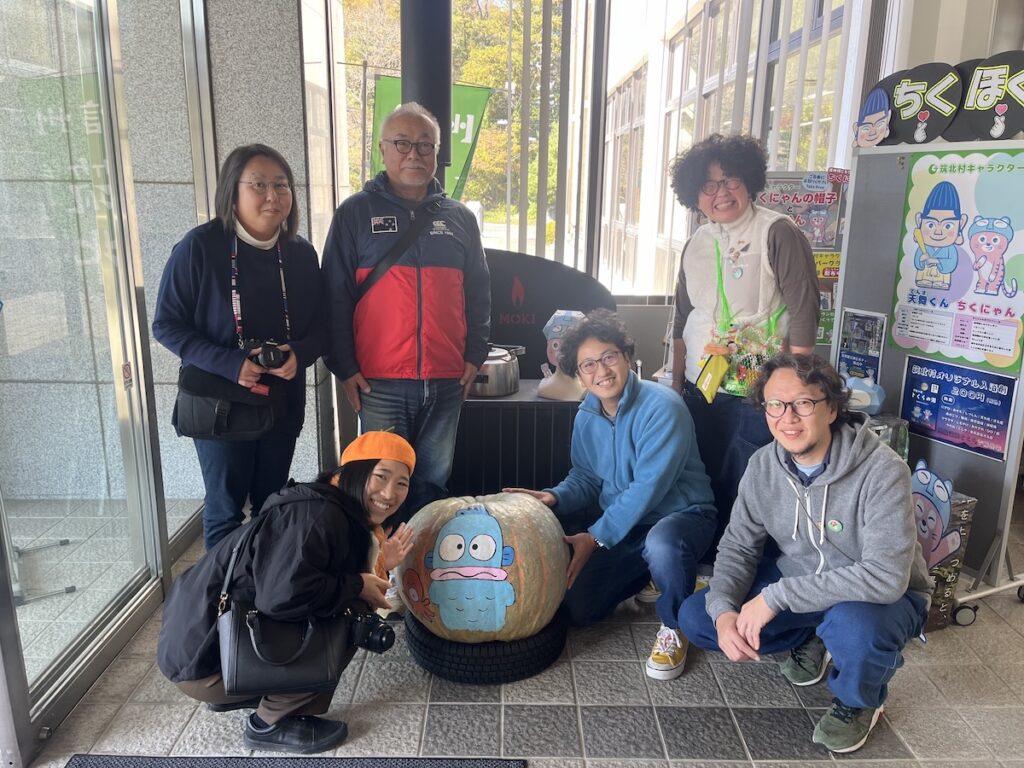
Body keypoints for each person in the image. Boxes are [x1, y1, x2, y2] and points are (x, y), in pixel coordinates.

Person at [678, 354, 933, 754]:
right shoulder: (763, 465)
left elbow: (885, 577)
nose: (788, 417)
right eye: (775, 405)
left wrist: (776, 597)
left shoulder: (882, 470)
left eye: (802, 403)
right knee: (699, 617)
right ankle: (814, 634)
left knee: (854, 627)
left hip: (878, 597)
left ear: (831, 408)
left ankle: (859, 701)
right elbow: (739, 546)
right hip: (802, 580)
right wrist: (725, 610)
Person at [157, 431, 416, 754]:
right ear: (354, 472)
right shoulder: (318, 516)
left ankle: (242, 689)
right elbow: (282, 597)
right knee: (351, 618)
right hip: (204, 663)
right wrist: (357, 586)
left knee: (348, 598)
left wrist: (380, 563)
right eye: (381, 476)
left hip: (208, 647)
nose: (390, 493)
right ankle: (270, 723)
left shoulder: (330, 505)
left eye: (402, 483)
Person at [505, 310, 717, 681]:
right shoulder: (587, 413)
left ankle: (675, 622)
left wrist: (595, 537)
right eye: (588, 364)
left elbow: (646, 489)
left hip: (681, 517)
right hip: (626, 522)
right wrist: (553, 498)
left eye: (608, 357)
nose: (601, 371)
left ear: (627, 356)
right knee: (578, 609)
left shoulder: (663, 407)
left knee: (662, 544)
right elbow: (586, 477)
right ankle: (654, 573)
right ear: (578, 373)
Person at [322, 102, 491, 529]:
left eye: (424, 145)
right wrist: (344, 366)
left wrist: (474, 355)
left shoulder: (460, 219)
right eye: (402, 143)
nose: (413, 153)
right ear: (382, 150)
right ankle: (379, 566)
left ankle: (424, 564)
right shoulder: (354, 214)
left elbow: (479, 293)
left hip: (447, 378)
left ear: (437, 153)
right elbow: (334, 297)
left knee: (432, 483)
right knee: (377, 489)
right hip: (380, 381)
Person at [153, 144, 323, 550]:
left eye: (281, 185)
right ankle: (223, 590)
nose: (272, 195)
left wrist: (301, 354)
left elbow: (323, 326)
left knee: (272, 506)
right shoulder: (200, 247)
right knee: (225, 510)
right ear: (232, 192)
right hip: (221, 403)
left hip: (281, 400)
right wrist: (231, 363)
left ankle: (264, 585)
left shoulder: (300, 253)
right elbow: (166, 325)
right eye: (259, 185)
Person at [669, 133, 819, 534]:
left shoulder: (777, 231)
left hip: (758, 389)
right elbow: (681, 317)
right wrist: (676, 383)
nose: (720, 193)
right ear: (694, 194)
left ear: (749, 181)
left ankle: (743, 561)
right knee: (701, 477)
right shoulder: (696, 242)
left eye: (730, 179)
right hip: (701, 384)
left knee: (749, 483)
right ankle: (705, 559)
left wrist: (790, 391)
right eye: (708, 184)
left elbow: (804, 312)